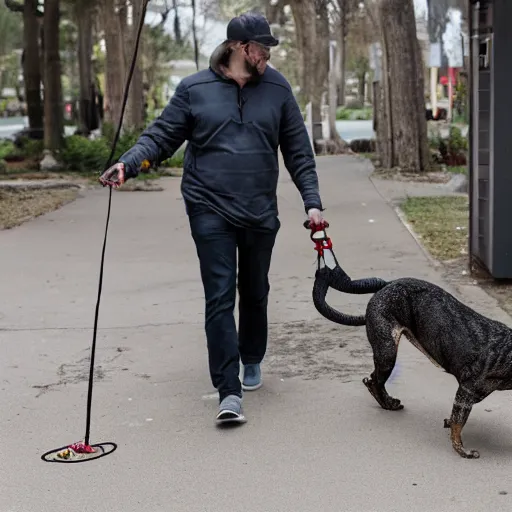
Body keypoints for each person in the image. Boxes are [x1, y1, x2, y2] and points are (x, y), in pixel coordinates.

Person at [99, 11, 326, 425]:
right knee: (219, 296)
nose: (268, 55)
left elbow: (297, 150)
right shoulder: (194, 89)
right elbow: (161, 136)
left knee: (255, 290)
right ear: (241, 48)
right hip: (209, 208)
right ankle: (228, 390)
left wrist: (312, 202)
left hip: (259, 210)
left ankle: (251, 355)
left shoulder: (277, 88)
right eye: (263, 47)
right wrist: (127, 165)